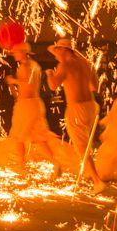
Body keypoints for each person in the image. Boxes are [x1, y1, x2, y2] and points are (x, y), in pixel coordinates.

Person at [46, 38, 107, 194]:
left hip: (76, 108)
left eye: (57, 51)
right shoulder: (86, 63)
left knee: (82, 147)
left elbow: (53, 85)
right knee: (81, 144)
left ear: (64, 50)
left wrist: (50, 73)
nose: (56, 56)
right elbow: (94, 86)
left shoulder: (65, 64)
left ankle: (97, 181)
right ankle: (61, 165)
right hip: (91, 107)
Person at [4, 42, 58, 174]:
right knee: (38, 138)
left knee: (18, 137)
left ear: (23, 52)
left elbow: (28, 85)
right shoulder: (34, 65)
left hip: (27, 106)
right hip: (35, 104)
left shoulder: (26, 66)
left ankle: (21, 167)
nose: (14, 55)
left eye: (16, 52)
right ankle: (55, 163)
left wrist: (13, 81)